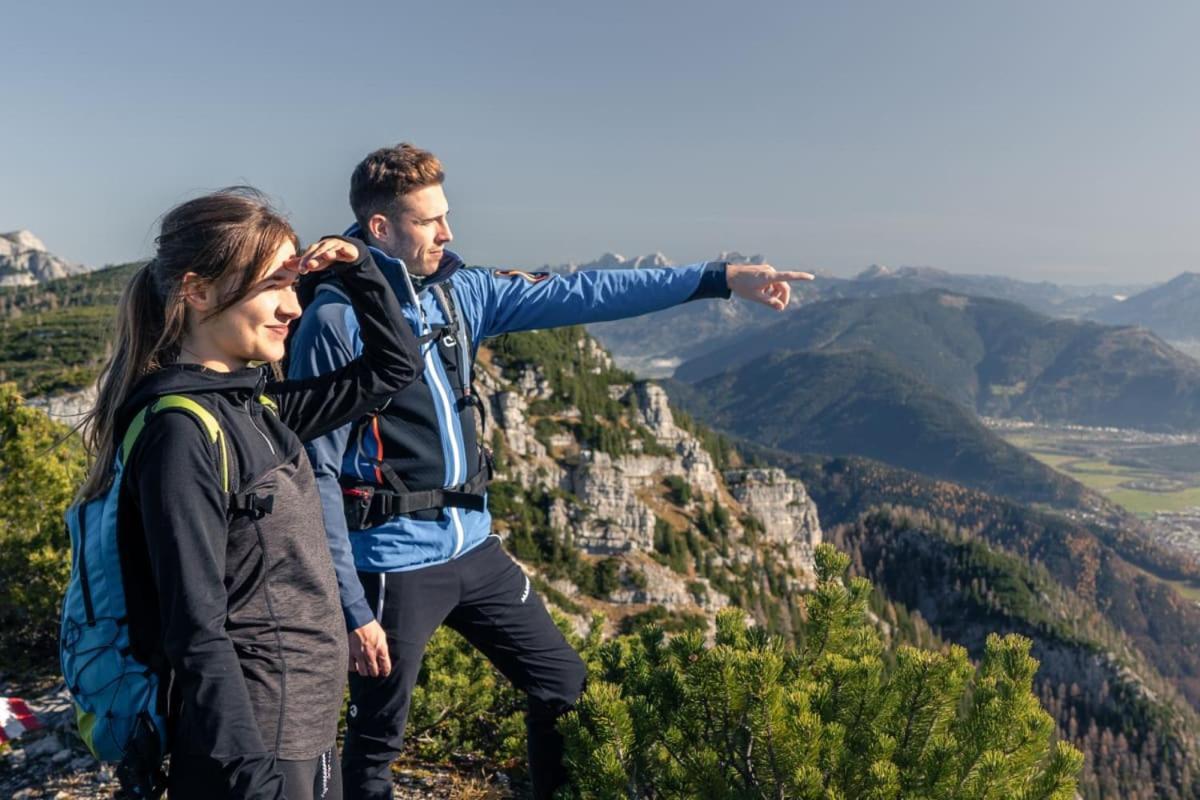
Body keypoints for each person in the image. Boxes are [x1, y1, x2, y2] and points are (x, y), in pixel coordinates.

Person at [287, 144, 814, 799]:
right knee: (375, 748)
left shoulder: (462, 293)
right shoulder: (335, 322)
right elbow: (316, 475)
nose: (449, 232)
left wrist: (723, 276)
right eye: (430, 221)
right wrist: (353, 605)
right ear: (380, 229)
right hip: (392, 563)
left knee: (564, 687)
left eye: (446, 216)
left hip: (475, 550)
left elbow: (583, 292)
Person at [75, 187, 423, 799]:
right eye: (272, 286)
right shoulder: (181, 433)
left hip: (303, 729)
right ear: (198, 290)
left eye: (294, 284)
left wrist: (360, 268)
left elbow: (393, 369)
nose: (292, 306)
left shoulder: (256, 407)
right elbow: (195, 628)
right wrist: (249, 776)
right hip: (254, 749)